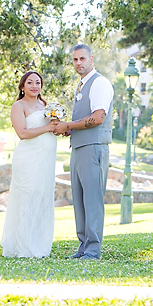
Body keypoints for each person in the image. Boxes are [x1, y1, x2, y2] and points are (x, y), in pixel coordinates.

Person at [52, 44, 114, 260]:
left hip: (94, 148)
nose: (78, 63)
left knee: (92, 199)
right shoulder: (80, 86)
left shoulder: (100, 83)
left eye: (82, 59)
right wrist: (70, 130)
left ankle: (93, 249)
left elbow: (98, 118)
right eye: (75, 60)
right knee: (78, 200)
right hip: (78, 148)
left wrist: (68, 125)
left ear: (91, 59)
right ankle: (83, 246)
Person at [1, 71, 60, 258]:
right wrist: (47, 128)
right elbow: (23, 133)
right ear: (22, 86)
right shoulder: (18, 106)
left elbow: (52, 127)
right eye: (30, 82)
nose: (34, 86)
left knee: (42, 198)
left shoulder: (45, 105)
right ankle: (22, 245)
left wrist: (59, 128)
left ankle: (39, 244)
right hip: (28, 159)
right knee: (27, 198)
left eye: (38, 82)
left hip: (46, 159)